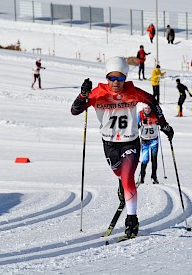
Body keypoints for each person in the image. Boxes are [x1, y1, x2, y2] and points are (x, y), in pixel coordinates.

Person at [70, 56, 174, 238]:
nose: (115, 82)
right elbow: (75, 110)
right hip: (109, 143)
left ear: (125, 78)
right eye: (112, 78)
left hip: (130, 141)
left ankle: (132, 219)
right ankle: (121, 184)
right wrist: (83, 95)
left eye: (119, 78)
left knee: (128, 177)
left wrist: (163, 123)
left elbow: (152, 101)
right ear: (107, 77)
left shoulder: (133, 92)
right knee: (119, 173)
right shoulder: (97, 93)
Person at [137, 105, 161, 184]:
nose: (147, 110)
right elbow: (134, 127)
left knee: (154, 159)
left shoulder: (156, 114)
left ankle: (154, 177)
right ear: (143, 108)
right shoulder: (139, 114)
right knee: (145, 159)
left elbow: (163, 123)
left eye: (149, 108)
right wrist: (141, 123)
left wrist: (159, 123)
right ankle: (142, 177)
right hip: (145, 141)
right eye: (146, 108)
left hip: (154, 140)